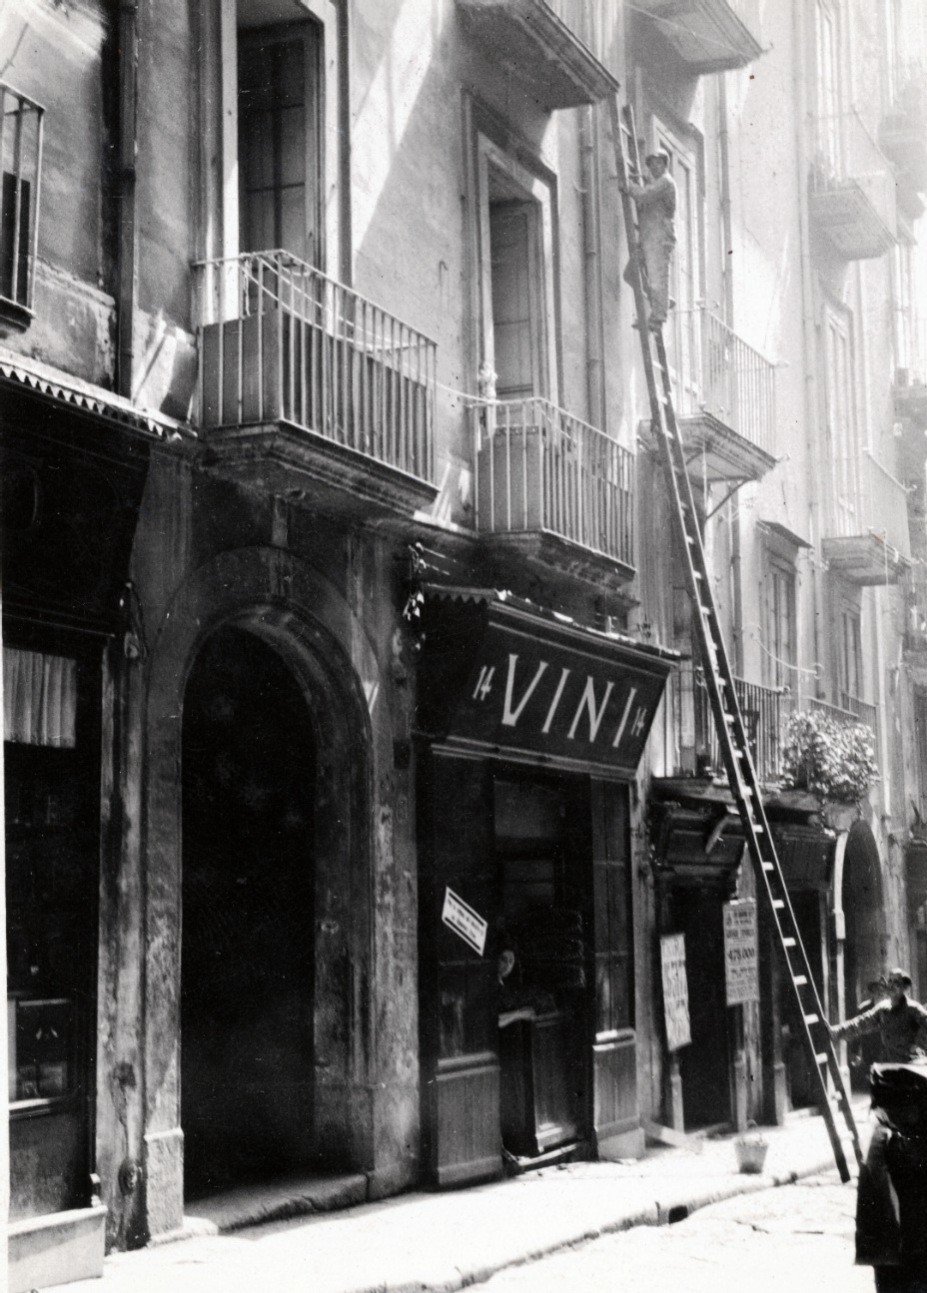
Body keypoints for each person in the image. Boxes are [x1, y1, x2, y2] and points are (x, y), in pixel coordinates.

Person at [622, 148, 677, 330]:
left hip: (659, 237)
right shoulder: (657, 183)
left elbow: (645, 195)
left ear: (665, 165)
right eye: (652, 164)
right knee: (631, 273)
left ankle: (658, 318)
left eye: (658, 163)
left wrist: (628, 185)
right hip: (648, 237)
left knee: (656, 278)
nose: (655, 167)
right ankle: (661, 300)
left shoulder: (666, 182)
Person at [828, 968, 927, 1063]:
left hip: (912, 1064)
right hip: (889, 1063)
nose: (891, 985)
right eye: (890, 981)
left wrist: (917, 1044)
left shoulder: (913, 1009)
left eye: (896, 982)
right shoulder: (883, 1008)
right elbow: (862, 1022)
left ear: (904, 988)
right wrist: (836, 1031)